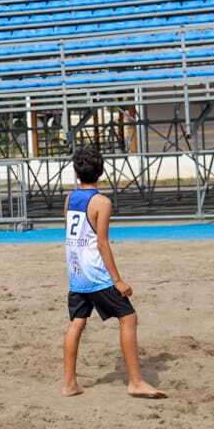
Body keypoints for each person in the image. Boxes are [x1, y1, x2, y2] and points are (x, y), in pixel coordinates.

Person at [62, 147, 166, 399]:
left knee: (77, 323)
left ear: (76, 172)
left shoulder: (69, 198)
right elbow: (101, 243)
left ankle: (69, 384)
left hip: (76, 271)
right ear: (101, 171)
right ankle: (136, 382)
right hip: (96, 273)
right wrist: (117, 280)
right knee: (128, 317)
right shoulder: (102, 202)